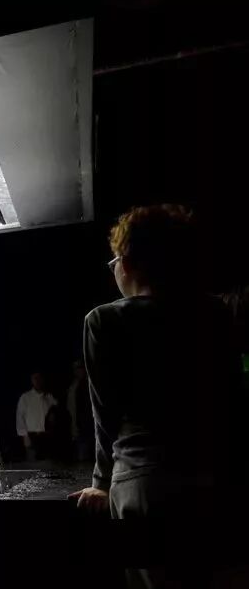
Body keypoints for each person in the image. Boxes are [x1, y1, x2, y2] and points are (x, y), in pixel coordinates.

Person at [69, 205, 244, 585]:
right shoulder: (215, 313)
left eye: (114, 261)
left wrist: (100, 483)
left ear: (128, 263)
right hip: (215, 480)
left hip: (144, 487)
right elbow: (232, 398)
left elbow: (105, 414)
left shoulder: (104, 320)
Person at [15, 372, 57, 461]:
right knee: (33, 465)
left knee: (48, 464)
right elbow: (20, 417)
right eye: (35, 378)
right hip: (32, 436)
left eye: (39, 378)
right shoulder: (25, 397)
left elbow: (56, 414)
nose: (37, 381)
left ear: (43, 380)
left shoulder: (49, 397)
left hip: (47, 436)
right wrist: (24, 435)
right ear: (32, 380)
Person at [66, 360, 93, 461]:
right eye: (76, 368)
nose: (79, 371)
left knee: (86, 459)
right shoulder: (73, 386)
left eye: (81, 368)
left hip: (87, 429)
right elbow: (70, 408)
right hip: (75, 428)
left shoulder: (90, 384)